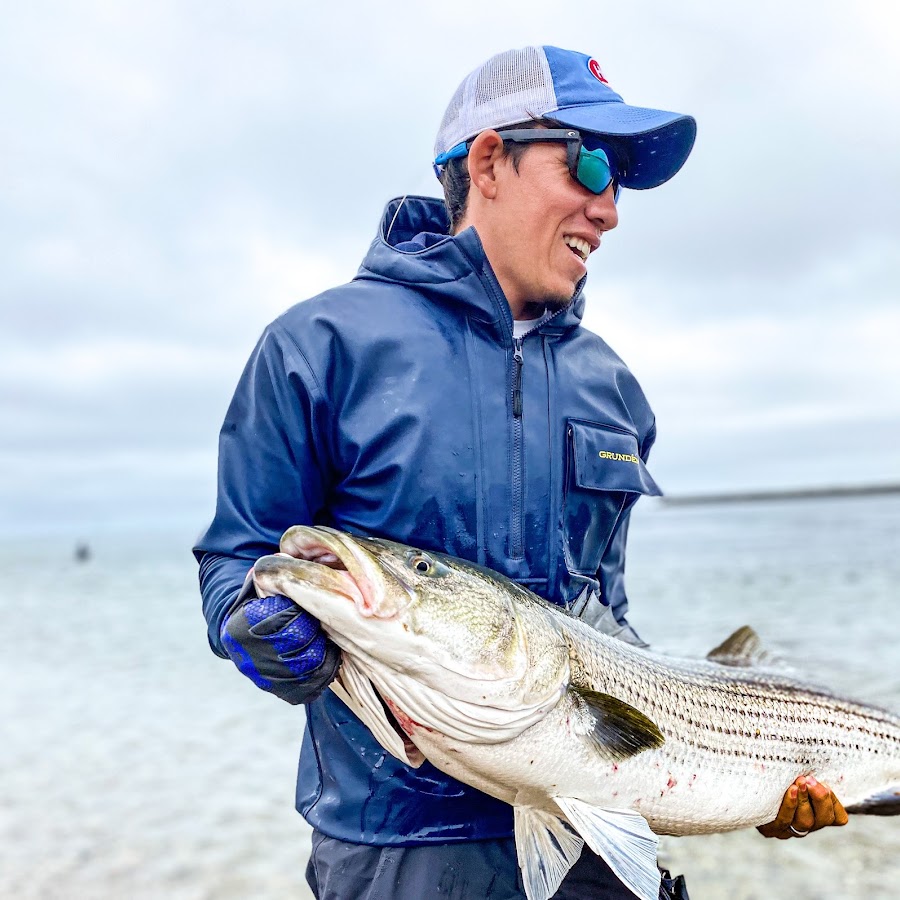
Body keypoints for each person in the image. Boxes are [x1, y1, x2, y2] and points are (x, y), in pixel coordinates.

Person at [194, 45, 846, 900]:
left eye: (622, 185)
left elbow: (602, 618)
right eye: (592, 162)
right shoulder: (319, 347)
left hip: (596, 841)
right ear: (488, 160)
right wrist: (256, 623)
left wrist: (745, 774)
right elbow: (240, 556)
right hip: (399, 851)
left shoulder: (613, 388)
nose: (609, 208)